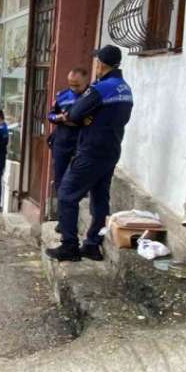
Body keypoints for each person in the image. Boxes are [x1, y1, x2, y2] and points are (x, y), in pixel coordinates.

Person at [46, 45, 133, 262]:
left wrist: (75, 117)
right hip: (112, 149)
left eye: (97, 62)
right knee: (100, 197)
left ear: (101, 65)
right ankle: (92, 245)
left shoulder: (101, 89)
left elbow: (74, 113)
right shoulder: (125, 88)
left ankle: (69, 246)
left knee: (66, 194)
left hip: (91, 150)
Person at [47, 68, 90, 231]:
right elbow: (50, 115)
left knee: (78, 180)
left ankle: (77, 220)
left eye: (77, 85)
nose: (73, 88)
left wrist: (75, 120)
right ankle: (62, 220)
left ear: (86, 81)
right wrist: (59, 118)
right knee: (60, 180)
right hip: (63, 140)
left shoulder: (91, 97)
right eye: (71, 84)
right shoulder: (62, 96)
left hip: (81, 140)